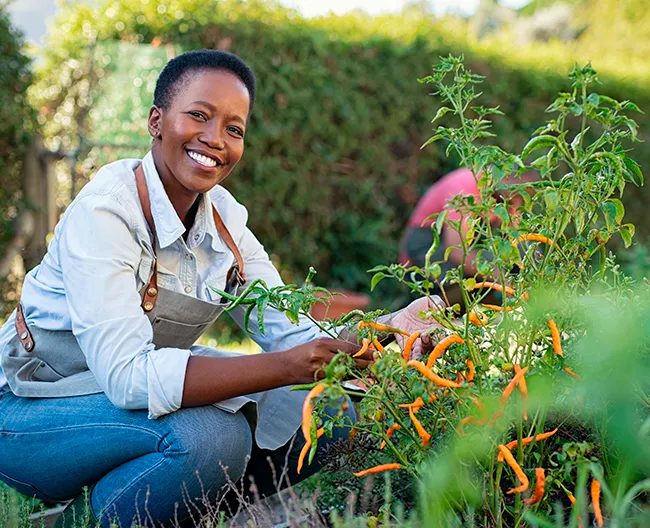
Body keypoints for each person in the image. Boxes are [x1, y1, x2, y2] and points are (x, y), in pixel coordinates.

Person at [0, 50, 439, 528]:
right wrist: (284, 368)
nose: (215, 140)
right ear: (156, 120)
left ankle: (171, 512)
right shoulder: (107, 213)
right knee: (213, 438)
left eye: (234, 129)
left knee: (333, 410)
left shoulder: (226, 221)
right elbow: (128, 377)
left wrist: (387, 329)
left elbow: (292, 331)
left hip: (122, 410)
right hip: (32, 410)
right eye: (199, 116)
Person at [399, 167, 531, 307]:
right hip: (426, 245)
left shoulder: (508, 196)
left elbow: (519, 239)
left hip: (463, 245)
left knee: (516, 257)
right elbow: (456, 251)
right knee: (476, 276)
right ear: (505, 178)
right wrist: (503, 281)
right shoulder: (464, 189)